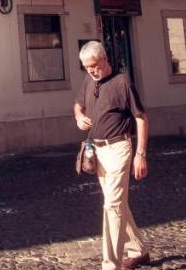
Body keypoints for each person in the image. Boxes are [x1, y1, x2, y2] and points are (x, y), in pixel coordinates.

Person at [74, 41, 149, 270]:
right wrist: (79, 117)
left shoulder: (122, 82)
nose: (91, 71)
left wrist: (141, 154)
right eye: (87, 67)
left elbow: (141, 117)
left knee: (112, 207)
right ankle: (138, 250)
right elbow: (78, 105)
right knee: (117, 204)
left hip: (118, 149)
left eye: (94, 66)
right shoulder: (89, 80)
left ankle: (110, 265)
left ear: (105, 59)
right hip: (97, 151)